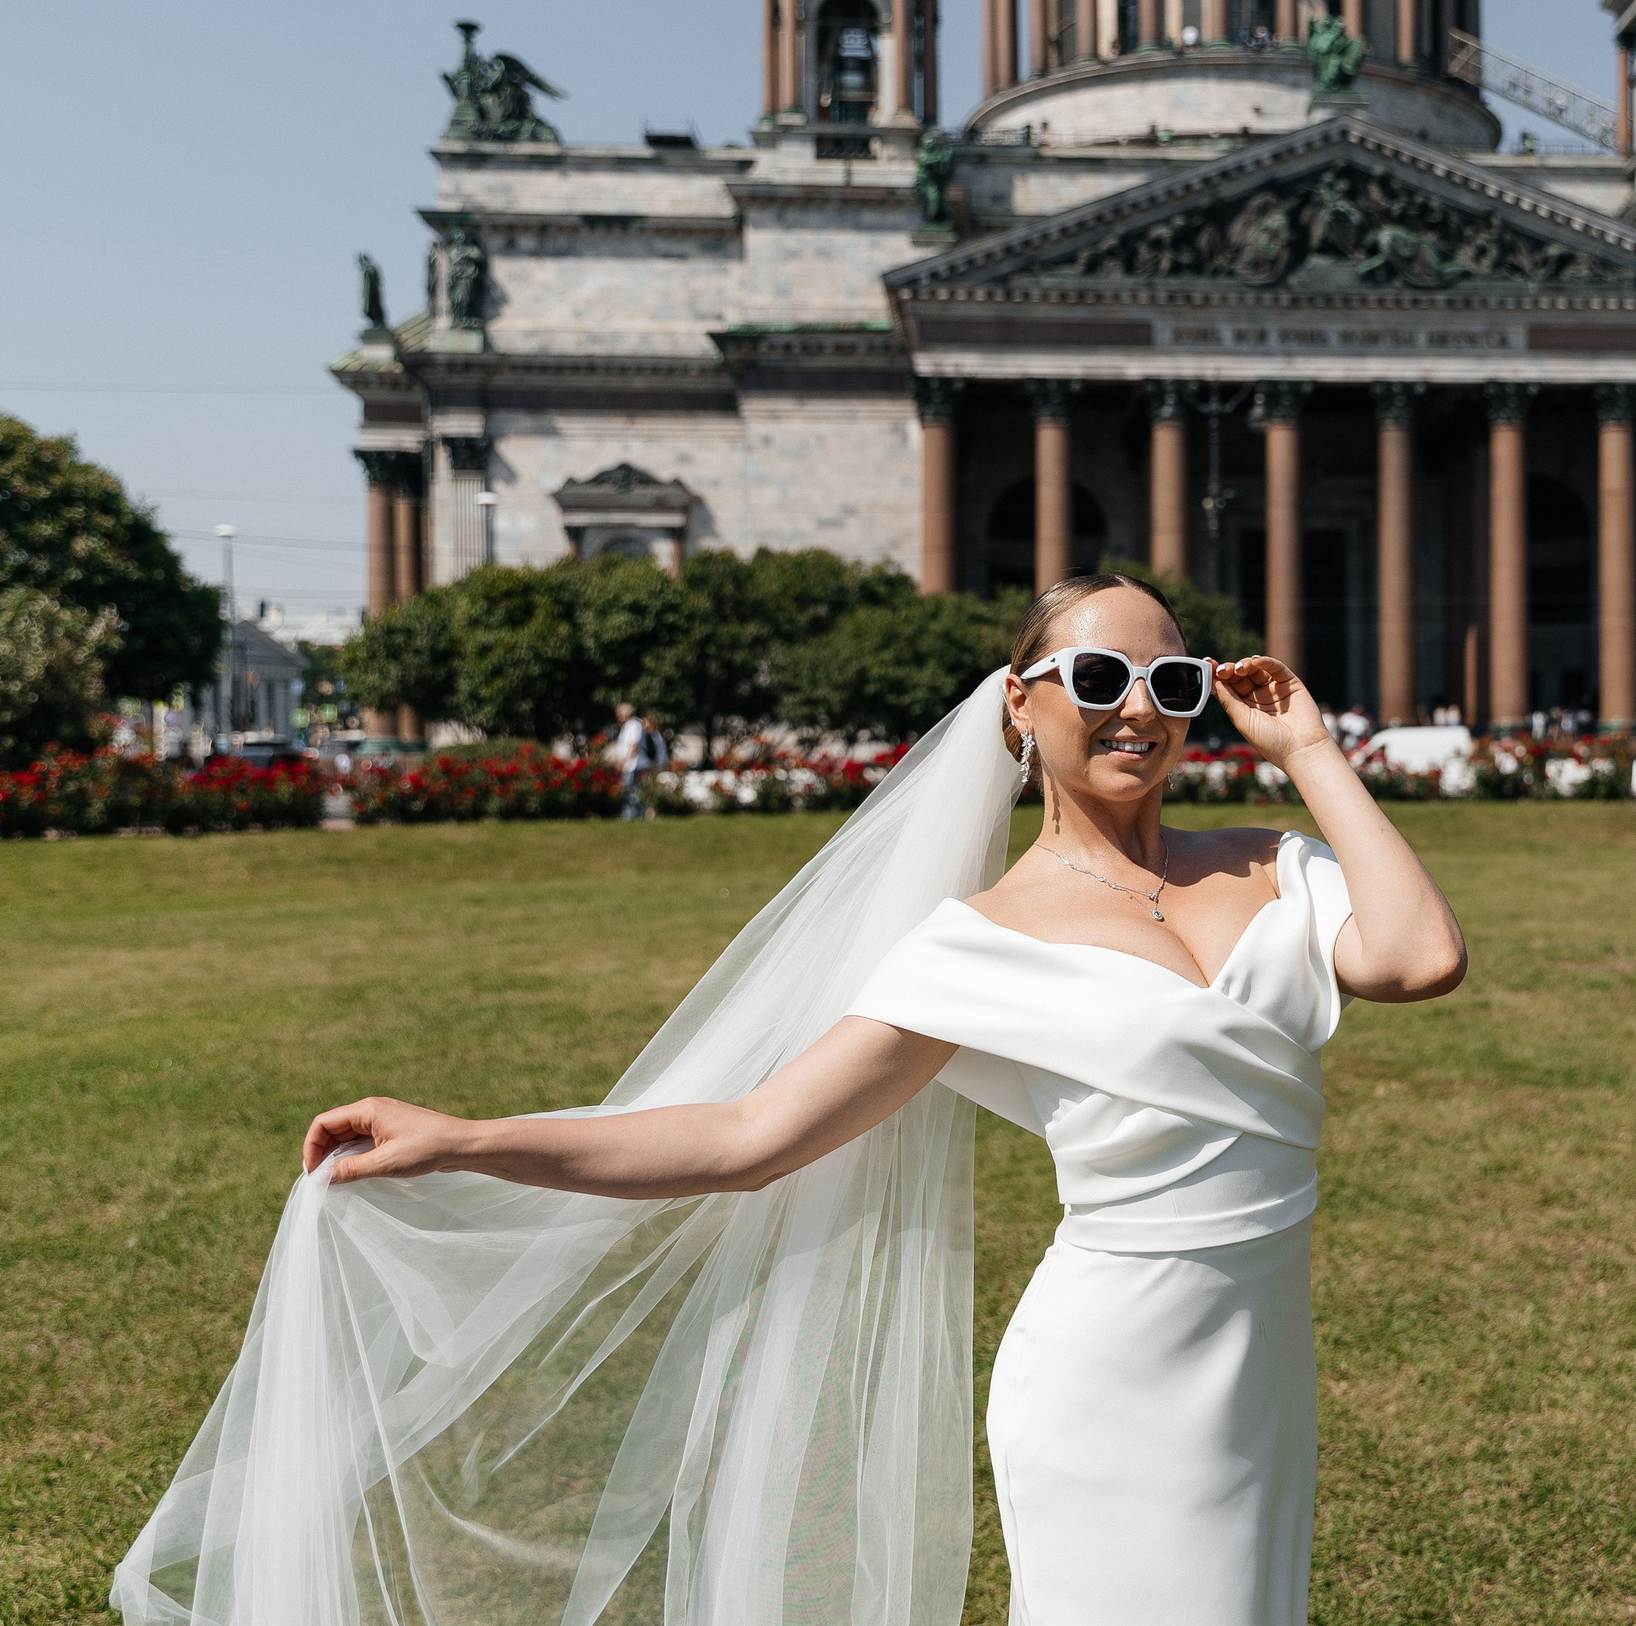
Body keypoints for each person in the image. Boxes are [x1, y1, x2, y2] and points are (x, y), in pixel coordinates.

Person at [113, 573, 1467, 1626]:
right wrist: (465, 1137)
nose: (1143, 706)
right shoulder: (974, 943)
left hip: (1257, 1377)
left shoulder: (1272, 863)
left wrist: (1309, 750)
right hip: (1109, 1379)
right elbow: (748, 1134)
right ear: (1020, 705)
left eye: (1170, 676)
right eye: (1102, 673)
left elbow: (1419, 955)